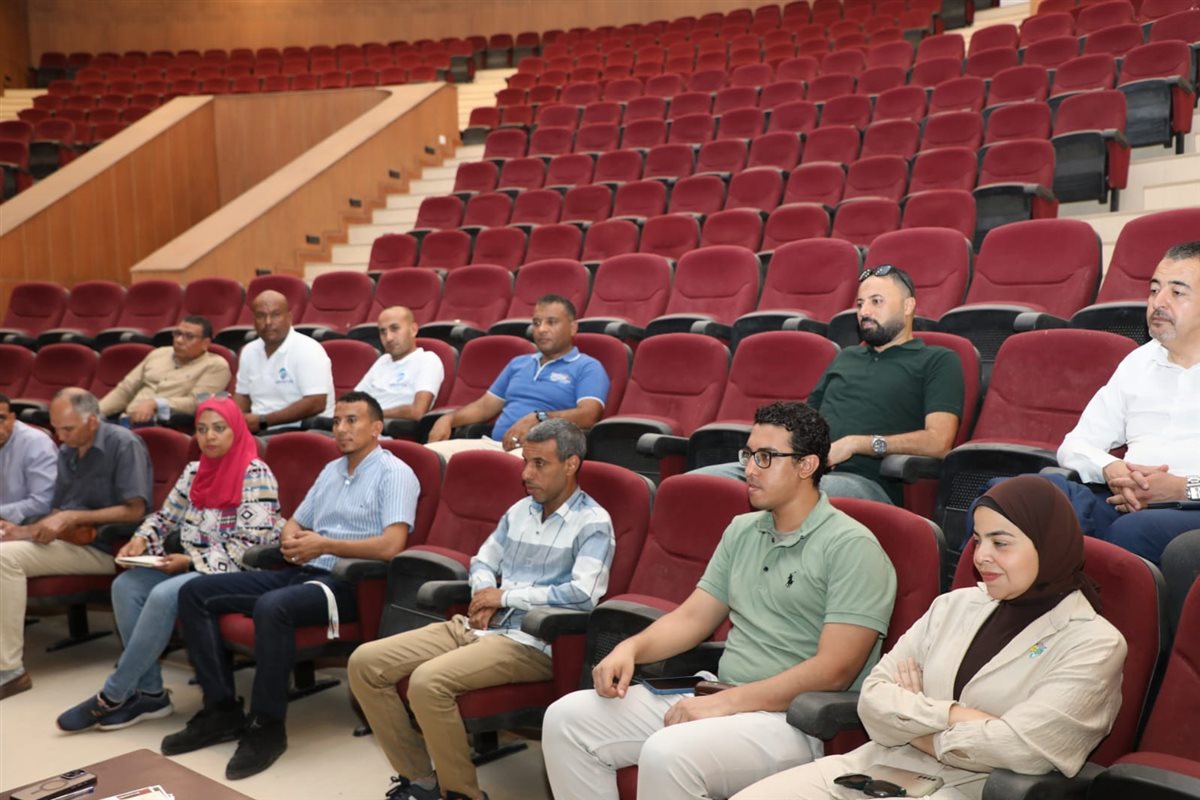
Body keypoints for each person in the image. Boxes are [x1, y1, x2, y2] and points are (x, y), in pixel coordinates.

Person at [543, 402, 898, 800]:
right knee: (566, 719)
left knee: (668, 752)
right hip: (721, 692)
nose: (750, 470)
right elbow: (693, 617)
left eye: (766, 457)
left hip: (793, 721)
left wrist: (727, 703)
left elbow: (835, 671)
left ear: (806, 465)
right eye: (749, 454)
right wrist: (631, 649)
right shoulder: (742, 530)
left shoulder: (852, 547)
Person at [733, 475, 1127, 800]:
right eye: (978, 540)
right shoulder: (953, 605)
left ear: (1048, 545)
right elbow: (873, 700)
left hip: (968, 789)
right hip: (874, 765)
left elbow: (1020, 748)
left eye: (1000, 543)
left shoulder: (1094, 643)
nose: (981, 556)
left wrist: (913, 719)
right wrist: (954, 716)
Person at [349, 419, 615, 800]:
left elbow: (582, 594)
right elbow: (482, 561)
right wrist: (483, 594)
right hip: (477, 627)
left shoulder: (594, 522)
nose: (526, 474)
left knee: (428, 683)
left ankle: (462, 794)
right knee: (364, 664)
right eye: (525, 462)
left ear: (571, 464)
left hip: (531, 641)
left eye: (539, 464)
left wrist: (503, 598)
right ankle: (421, 780)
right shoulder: (520, 511)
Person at [161, 391, 419, 780]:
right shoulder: (332, 470)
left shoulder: (395, 473)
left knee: (273, 606)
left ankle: (267, 727)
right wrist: (292, 539)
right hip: (303, 571)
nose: (341, 429)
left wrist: (325, 545)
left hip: (350, 584)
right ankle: (221, 710)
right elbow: (295, 522)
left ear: (376, 428)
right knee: (195, 593)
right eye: (337, 421)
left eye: (352, 420)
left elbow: (392, 545)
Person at [56, 395, 282, 732]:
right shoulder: (195, 471)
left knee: (163, 595)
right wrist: (142, 539)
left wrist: (190, 561)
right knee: (126, 586)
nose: (209, 437)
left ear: (236, 430)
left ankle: (113, 694)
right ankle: (151, 694)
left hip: (234, 570)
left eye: (219, 428)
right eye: (202, 430)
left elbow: (253, 545)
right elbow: (164, 518)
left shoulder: (255, 473)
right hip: (189, 565)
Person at [694, 266, 964, 505]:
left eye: (876, 301)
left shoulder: (938, 360)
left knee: (784, 493)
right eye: (860, 304)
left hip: (865, 482)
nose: (864, 312)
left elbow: (939, 442)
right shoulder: (847, 357)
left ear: (908, 306)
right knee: (697, 484)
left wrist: (857, 444)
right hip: (799, 469)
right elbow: (804, 422)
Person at [1044, 241, 1200, 564]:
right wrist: (1112, 469)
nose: (1158, 302)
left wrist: (1182, 488)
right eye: (1154, 290)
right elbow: (1074, 445)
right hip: (1125, 499)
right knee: (1028, 498)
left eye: (1176, 292)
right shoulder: (1137, 363)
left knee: (1132, 532)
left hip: (1191, 508)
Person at [0, 388, 152, 700]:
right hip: (69, 541)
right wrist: (22, 532)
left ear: (92, 421)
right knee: (6, 547)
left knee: (4, 559)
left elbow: (135, 510)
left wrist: (71, 517)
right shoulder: (68, 450)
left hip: (109, 547)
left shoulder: (124, 444)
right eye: (57, 428)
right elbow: (57, 512)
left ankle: (9, 671)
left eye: (67, 429)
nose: (60, 436)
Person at [425, 295, 609, 459]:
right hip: (494, 445)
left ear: (573, 328)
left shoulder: (588, 366)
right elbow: (484, 407)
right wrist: (448, 419)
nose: (542, 329)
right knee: (427, 456)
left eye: (551, 322)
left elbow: (589, 415)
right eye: (536, 323)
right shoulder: (518, 363)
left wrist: (540, 418)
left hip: (541, 453)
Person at [98, 315, 231, 424]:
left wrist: (156, 404)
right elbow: (125, 389)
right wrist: (95, 412)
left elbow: (197, 402)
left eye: (189, 336)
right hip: (125, 420)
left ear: (206, 343)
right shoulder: (158, 354)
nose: (179, 340)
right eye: (177, 334)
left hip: (162, 426)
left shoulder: (216, 366)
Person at [235, 289, 334, 433]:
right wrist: (236, 419)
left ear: (289, 317)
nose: (268, 322)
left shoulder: (308, 348)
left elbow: (316, 402)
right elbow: (242, 395)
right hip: (260, 429)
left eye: (275, 315)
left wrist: (264, 420)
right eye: (261, 316)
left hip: (303, 430)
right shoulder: (248, 351)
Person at [354, 306, 444, 421]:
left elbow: (418, 411)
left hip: (389, 428)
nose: (389, 338)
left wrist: (371, 415)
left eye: (395, 329)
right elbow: (353, 401)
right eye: (383, 332)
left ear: (413, 330)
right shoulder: (382, 360)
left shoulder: (427, 360)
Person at [0, 392, 57, 524]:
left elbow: (42, 503)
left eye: (1, 418)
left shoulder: (37, 443)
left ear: (12, 418)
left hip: (23, 525)